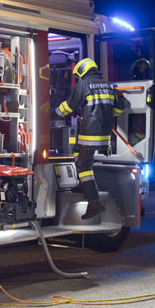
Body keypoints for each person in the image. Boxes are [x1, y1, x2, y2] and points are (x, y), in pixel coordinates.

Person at [55, 58, 128, 220]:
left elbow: (69, 106)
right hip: (104, 136)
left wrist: (53, 112)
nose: (78, 78)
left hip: (89, 134)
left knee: (83, 165)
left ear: (82, 71)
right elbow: (120, 108)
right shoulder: (110, 85)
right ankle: (83, 186)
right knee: (77, 155)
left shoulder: (84, 85)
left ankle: (94, 202)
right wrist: (108, 115)